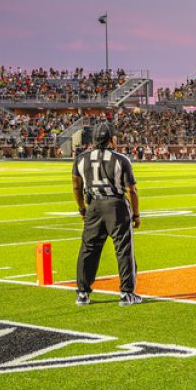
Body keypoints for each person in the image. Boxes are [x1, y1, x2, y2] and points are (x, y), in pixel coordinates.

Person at [71, 122, 142, 306]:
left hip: (94, 205)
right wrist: (136, 215)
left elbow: (76, 186)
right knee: (123, 249)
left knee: (88, 249)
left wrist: (82, 209)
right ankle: (127, 293)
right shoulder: (121, 159)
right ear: (111, 139)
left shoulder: (81, 159)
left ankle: (82, 293)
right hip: (116, 206)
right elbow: (131, 190)